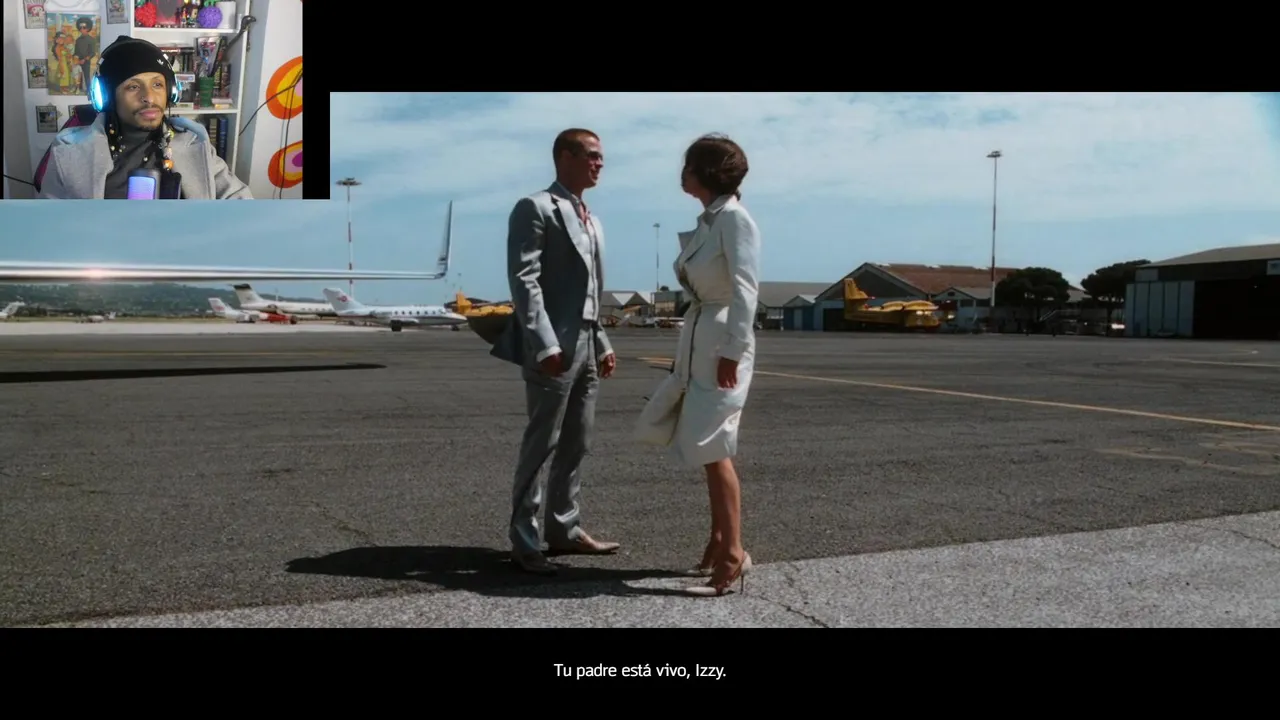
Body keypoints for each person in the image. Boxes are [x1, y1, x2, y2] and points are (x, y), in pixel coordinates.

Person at [490, 128, 620, 575]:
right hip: (553, 345)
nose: (600, 163)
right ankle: (525, 541)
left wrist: (602, 340)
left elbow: (591, 290)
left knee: (578, 441)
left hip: (587, 340)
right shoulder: (536, 207)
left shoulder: (592, 218)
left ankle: (564, 529)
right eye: (592, 155)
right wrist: (543, 341)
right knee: (541, 443)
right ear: (565, 156)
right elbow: (524, 279)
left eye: (601, 156)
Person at [636, 133, 760, 597]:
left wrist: (733, 349)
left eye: (688, 165)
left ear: (705, 172)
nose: (682, 173)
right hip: (702, 337)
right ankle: (720, 541)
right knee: (706, 443)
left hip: (722, 339)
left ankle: (733, 554)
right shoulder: (713, 220)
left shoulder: (735, 219)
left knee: (713, 445)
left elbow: (746, 288)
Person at [38, 36, 251, 200]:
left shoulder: (195, 143)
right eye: (133, 87)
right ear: (107, 97)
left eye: (157, 84)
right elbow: (48, 224)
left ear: (171, 91)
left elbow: (240, 202)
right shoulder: (68, 152)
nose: (149, 97)